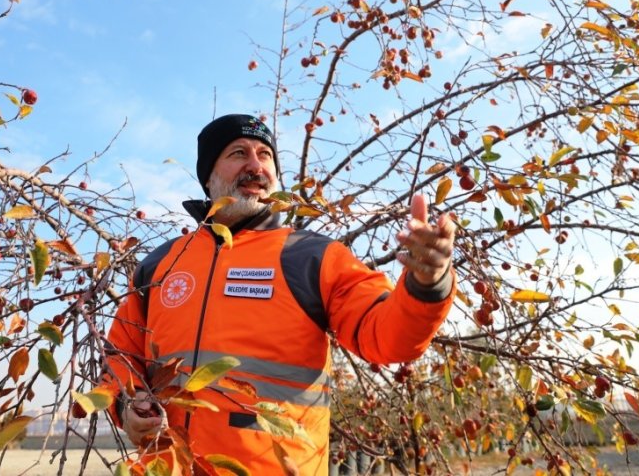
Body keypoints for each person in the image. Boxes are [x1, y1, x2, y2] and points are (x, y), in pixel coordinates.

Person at [103, 114, 455, 474]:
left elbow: (386, 338)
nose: (256, 166)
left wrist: (427, 285)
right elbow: (120, 356)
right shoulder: (161, 263)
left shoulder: (311, 257)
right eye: (239, 153)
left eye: (265, 155)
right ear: (208, 176)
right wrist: (125, 404)